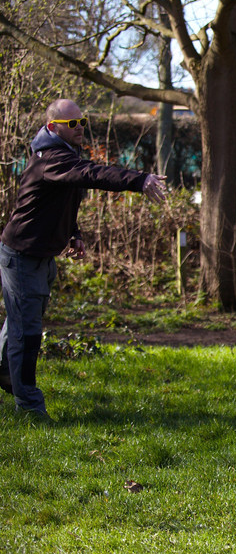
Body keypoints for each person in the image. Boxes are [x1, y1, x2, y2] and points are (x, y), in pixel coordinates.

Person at [0, 99, 167, 422]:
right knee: (27, 332)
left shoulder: (62, 156)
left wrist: (72, 233)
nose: (80, 129)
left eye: (83, 121)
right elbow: (91, 174)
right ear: (53, 127)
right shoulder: (50, 159)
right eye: (72, 123)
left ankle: (7, 375)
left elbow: (62, 198)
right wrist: (137, 180)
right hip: (22, 256)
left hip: (40, 254)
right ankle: (30, 406)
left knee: (18, 323)